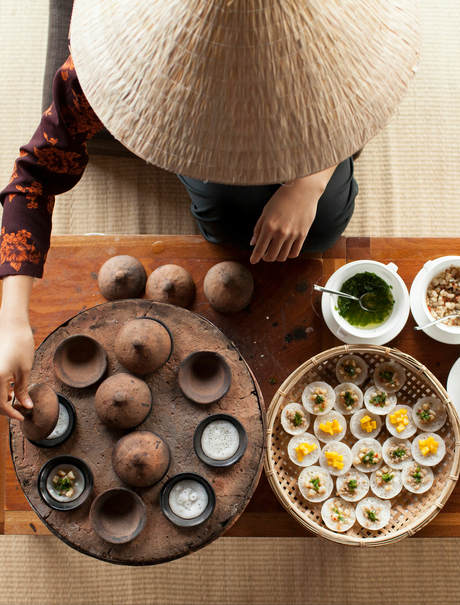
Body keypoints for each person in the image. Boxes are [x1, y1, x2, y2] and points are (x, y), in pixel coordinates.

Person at [0, 0, 421, 421]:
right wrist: (13, 319)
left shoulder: (341, 39)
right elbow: (34, 178)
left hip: (314, 89)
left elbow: (365, 101)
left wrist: (308, 182)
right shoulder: (115, 69)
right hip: (178, 97)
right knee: (228, 223)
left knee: (323, 227)